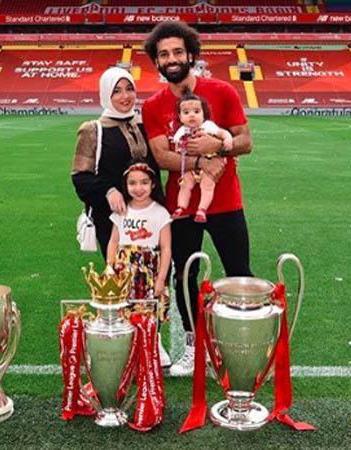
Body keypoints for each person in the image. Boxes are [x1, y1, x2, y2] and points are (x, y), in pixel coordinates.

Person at [142, 21, 254, 376]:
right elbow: (161, 157)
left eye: (177, 52)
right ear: (157, 62)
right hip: (181, 207)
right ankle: (194, 347)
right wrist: (203, 160)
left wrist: (219, 145)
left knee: (239, 272)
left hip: (226, 202)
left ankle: (243, 343)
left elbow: (245, 141)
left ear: (190, 54)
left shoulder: (222, 91)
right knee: (184, 277)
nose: (171, 59)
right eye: (164, 55)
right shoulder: (153, 106)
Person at [71, 66, 163, 258]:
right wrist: (109, 191)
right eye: (117, 91)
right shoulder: (93, 130)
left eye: (129, 89)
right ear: (106, 94)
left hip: (150, 215)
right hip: (114, 220)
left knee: (155, 270)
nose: (125, 96)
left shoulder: (143, 124)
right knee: (122, 271)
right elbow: (81, 178)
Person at [106, 161, 173, 367]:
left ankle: (154, 341)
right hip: (124, 269)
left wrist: (161, 278)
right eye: (132, 183)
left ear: (153, 184)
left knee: (151, 307)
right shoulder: (122, 211)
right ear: (125, 185)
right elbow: (113, 241)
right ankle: (129, 344)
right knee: (126, 306)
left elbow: (166, 248)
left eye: (144, 182)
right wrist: (109, 267)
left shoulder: (160, 212)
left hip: (149, 270)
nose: (138, 188)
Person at [171, 91, 233, 223]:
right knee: (185, 184)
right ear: (180, 117)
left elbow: (223, 133)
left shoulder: (208, 126)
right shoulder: (181, 131)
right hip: (191, 166)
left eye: (196, 111)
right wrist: (181, 149)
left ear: (204, 113)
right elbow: (177, 148)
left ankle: (202, 209)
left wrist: (227, 140)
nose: (191, 115)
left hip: (210, 162)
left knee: (207, 185)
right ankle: (181, 207)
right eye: (186, 112)